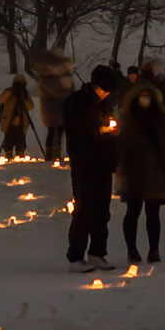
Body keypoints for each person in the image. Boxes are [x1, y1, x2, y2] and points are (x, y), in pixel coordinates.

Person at [116, 82, 165, 263]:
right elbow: (121, 149)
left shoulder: (161, 119)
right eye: (141, 96)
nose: (145, 100)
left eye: (147, 96)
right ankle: (132, 250)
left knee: (153, 213)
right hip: (134, 173)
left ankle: (154, 250)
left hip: (155, 173)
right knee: (133, 212)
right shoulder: (128, 120)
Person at [63, 65, 119, 273]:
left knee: (102, 210)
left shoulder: (105, 105)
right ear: (96, 85)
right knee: (85, 208)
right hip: (84, 163)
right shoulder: (76, 102)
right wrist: (100, 130)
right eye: (104, 89)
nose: (106, 94)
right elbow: (78, 132)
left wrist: (113, 134)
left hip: (104, 162)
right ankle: (76, 256)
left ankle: (97, 252)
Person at [33, 49, 75, 163]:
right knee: (53, 131)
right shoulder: (45, 78)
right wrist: (65, 92)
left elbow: (70, 89)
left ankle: (57, 154)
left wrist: (68, 90)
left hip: (63, 108)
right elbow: (52, 91)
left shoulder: (62, 76)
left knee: (61, 131)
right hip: (51, 109)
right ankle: (50, 155)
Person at [0, 75, 35, 159]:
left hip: (22, 123)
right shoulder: (9, 92)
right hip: (9, 122)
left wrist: (23, 99)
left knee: (20, 142)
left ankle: (20, 157)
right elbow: (1, 99)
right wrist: (10, 92)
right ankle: (8, 157)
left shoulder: (25, 93)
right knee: (8, 141)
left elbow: (31, 106)